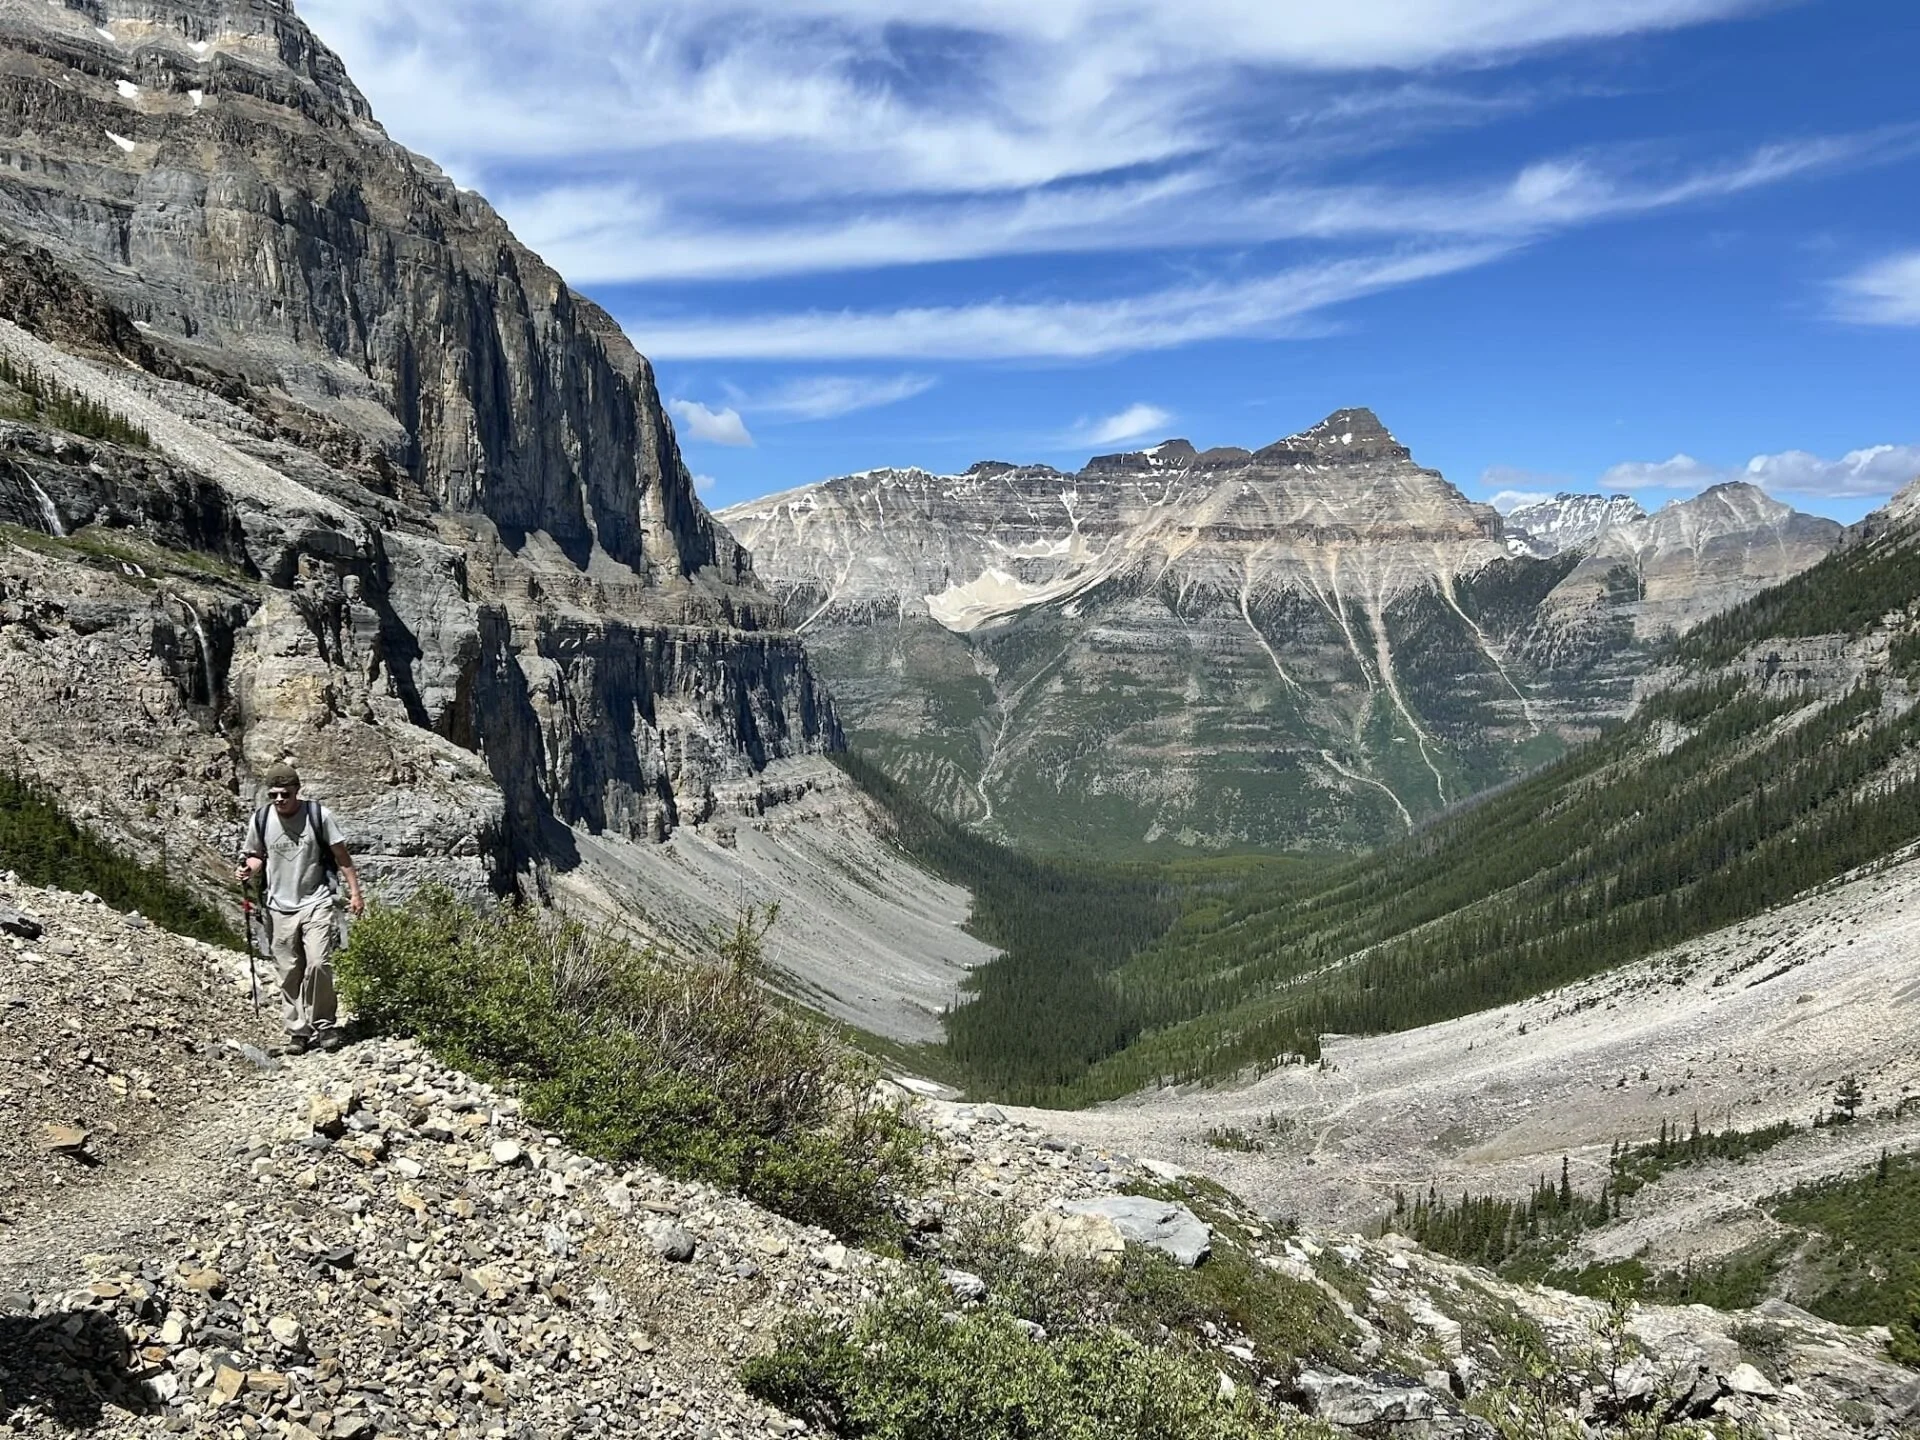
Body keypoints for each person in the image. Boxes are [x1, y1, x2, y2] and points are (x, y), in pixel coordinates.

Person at [235, 761, 364, 1053]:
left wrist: (356, 893)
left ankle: (324, 1024)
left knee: (318, 962)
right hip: (278, 906)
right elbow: (256, 856)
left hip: (316, 900)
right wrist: (249, 871)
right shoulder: (261, 820)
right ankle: (297, 1031)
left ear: (297, 791)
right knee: (289, 970)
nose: (279, 800)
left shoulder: (319, 816)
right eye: (274, 795)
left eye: (285, 794)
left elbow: (342, 857)